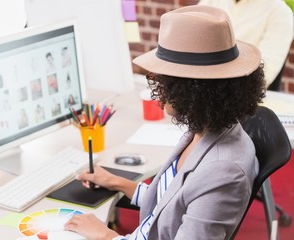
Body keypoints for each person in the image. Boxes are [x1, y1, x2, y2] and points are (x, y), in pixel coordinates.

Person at [64, 5, 266, 239]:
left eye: (165, 82)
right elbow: (173, 199)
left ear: (192, 90)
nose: (158, 94)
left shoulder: (224, 171)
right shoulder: (205, 128)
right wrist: (118, 183)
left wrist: (105, 235)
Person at [198, 0, 293, 90]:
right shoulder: (210, 1)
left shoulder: (280, 13)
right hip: (196, 88)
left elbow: (263, 73)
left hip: (240, 98)